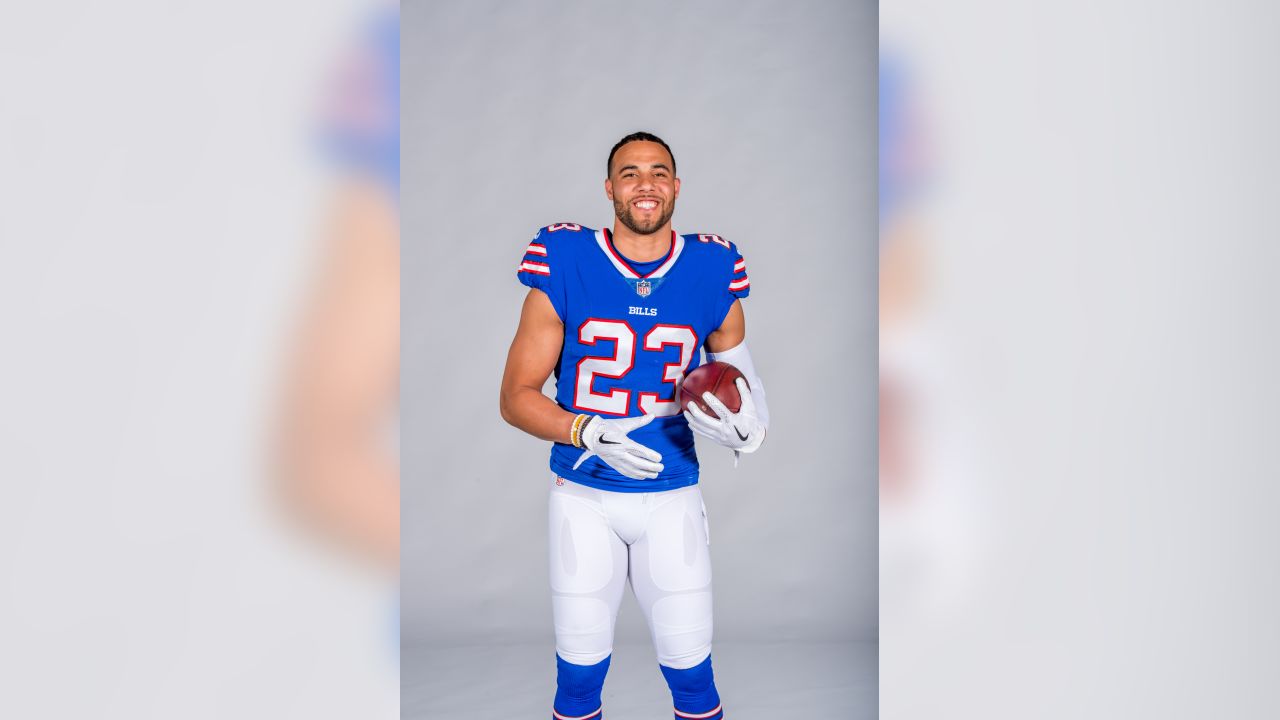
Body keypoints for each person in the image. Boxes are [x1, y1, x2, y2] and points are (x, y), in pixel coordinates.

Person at [499, 132, 771, 720]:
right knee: (576, 684)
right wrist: (587, 431)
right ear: (609, 188)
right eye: (629, 173)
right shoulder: (566, 256)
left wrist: (747, 430)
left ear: (675, 186)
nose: (645, 184)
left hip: (671, 496)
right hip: (582, 496)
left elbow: (746, 392)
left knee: (693, 679)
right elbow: (515, 398)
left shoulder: (713, 266)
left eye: (658, 172)